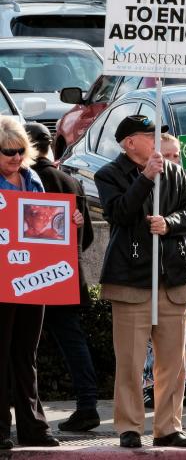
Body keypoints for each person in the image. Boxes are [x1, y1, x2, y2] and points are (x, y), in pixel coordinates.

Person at [94, 115, 186, 449]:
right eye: (148, 135)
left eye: (159, 134)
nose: (157, 140)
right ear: (129, 142)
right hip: (131, 278)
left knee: (173, 360)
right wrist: (145, 178)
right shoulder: (108, 174)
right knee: (130, 359)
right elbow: (120, 214)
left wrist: (169, 223)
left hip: (172, 276)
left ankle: (168, 427)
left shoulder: (175, 171)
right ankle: (129, 426)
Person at [25, 123, 99, 433]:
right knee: (72, 342)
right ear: (51, 146)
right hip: (63, 275)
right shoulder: (70, 181)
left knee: (23, 348)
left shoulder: (20, 181)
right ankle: (87, 405)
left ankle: (28, 410)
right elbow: (86, 238)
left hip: (25, 275)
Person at [0, 117, 59, 448]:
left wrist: (70, 220)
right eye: (8, 151)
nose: (15, 157)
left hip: (31, 279)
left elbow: (46, 226)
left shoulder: (33, 179)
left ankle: (33, 427)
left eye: (20, 150)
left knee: (26, 353)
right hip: (0, 281)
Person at [142, 133, 186, 409]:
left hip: (183, 274)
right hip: (151, 273)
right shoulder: (146, 186)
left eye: (176, 156)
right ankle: (149, 386)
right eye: (166, 155)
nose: (173, 161)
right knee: (150, 334)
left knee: (184, 332)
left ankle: (184, 385)